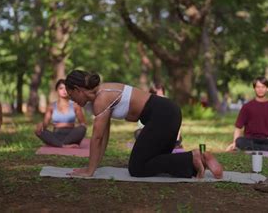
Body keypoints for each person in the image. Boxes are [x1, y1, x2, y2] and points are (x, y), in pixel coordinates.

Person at [64, 70, 223, 178]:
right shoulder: (100, 97)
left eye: (72, 96)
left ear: (78, 89)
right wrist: (95, 165)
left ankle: (193, 156)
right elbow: (104, 135)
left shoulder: (101, 98)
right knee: (156, 160)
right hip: (167, 113)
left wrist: (89, 170)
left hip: (163, 115)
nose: (73, 101)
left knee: (137, 168)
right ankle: (199, 161)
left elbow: (96, 138)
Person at [35, 79, 87, 148]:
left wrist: (81, 127)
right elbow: (45, 125)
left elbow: (82, 123)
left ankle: (59, 144)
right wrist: (40, 126)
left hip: (71, 135)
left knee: (82, 128)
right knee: (38, 131)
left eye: (66, 88)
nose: (64, 91)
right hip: (56, 134)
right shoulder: (51, 106)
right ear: (57, 90)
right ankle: (63, 145)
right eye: (61, 88)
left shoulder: (75, 105)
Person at [134, 84, 183, 148]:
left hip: (164, 132)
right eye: (158, 96)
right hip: (149, 131)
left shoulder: (169, 106)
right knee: (139, 133)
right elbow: (142, 125)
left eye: (162, 96)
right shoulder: (146, 105)